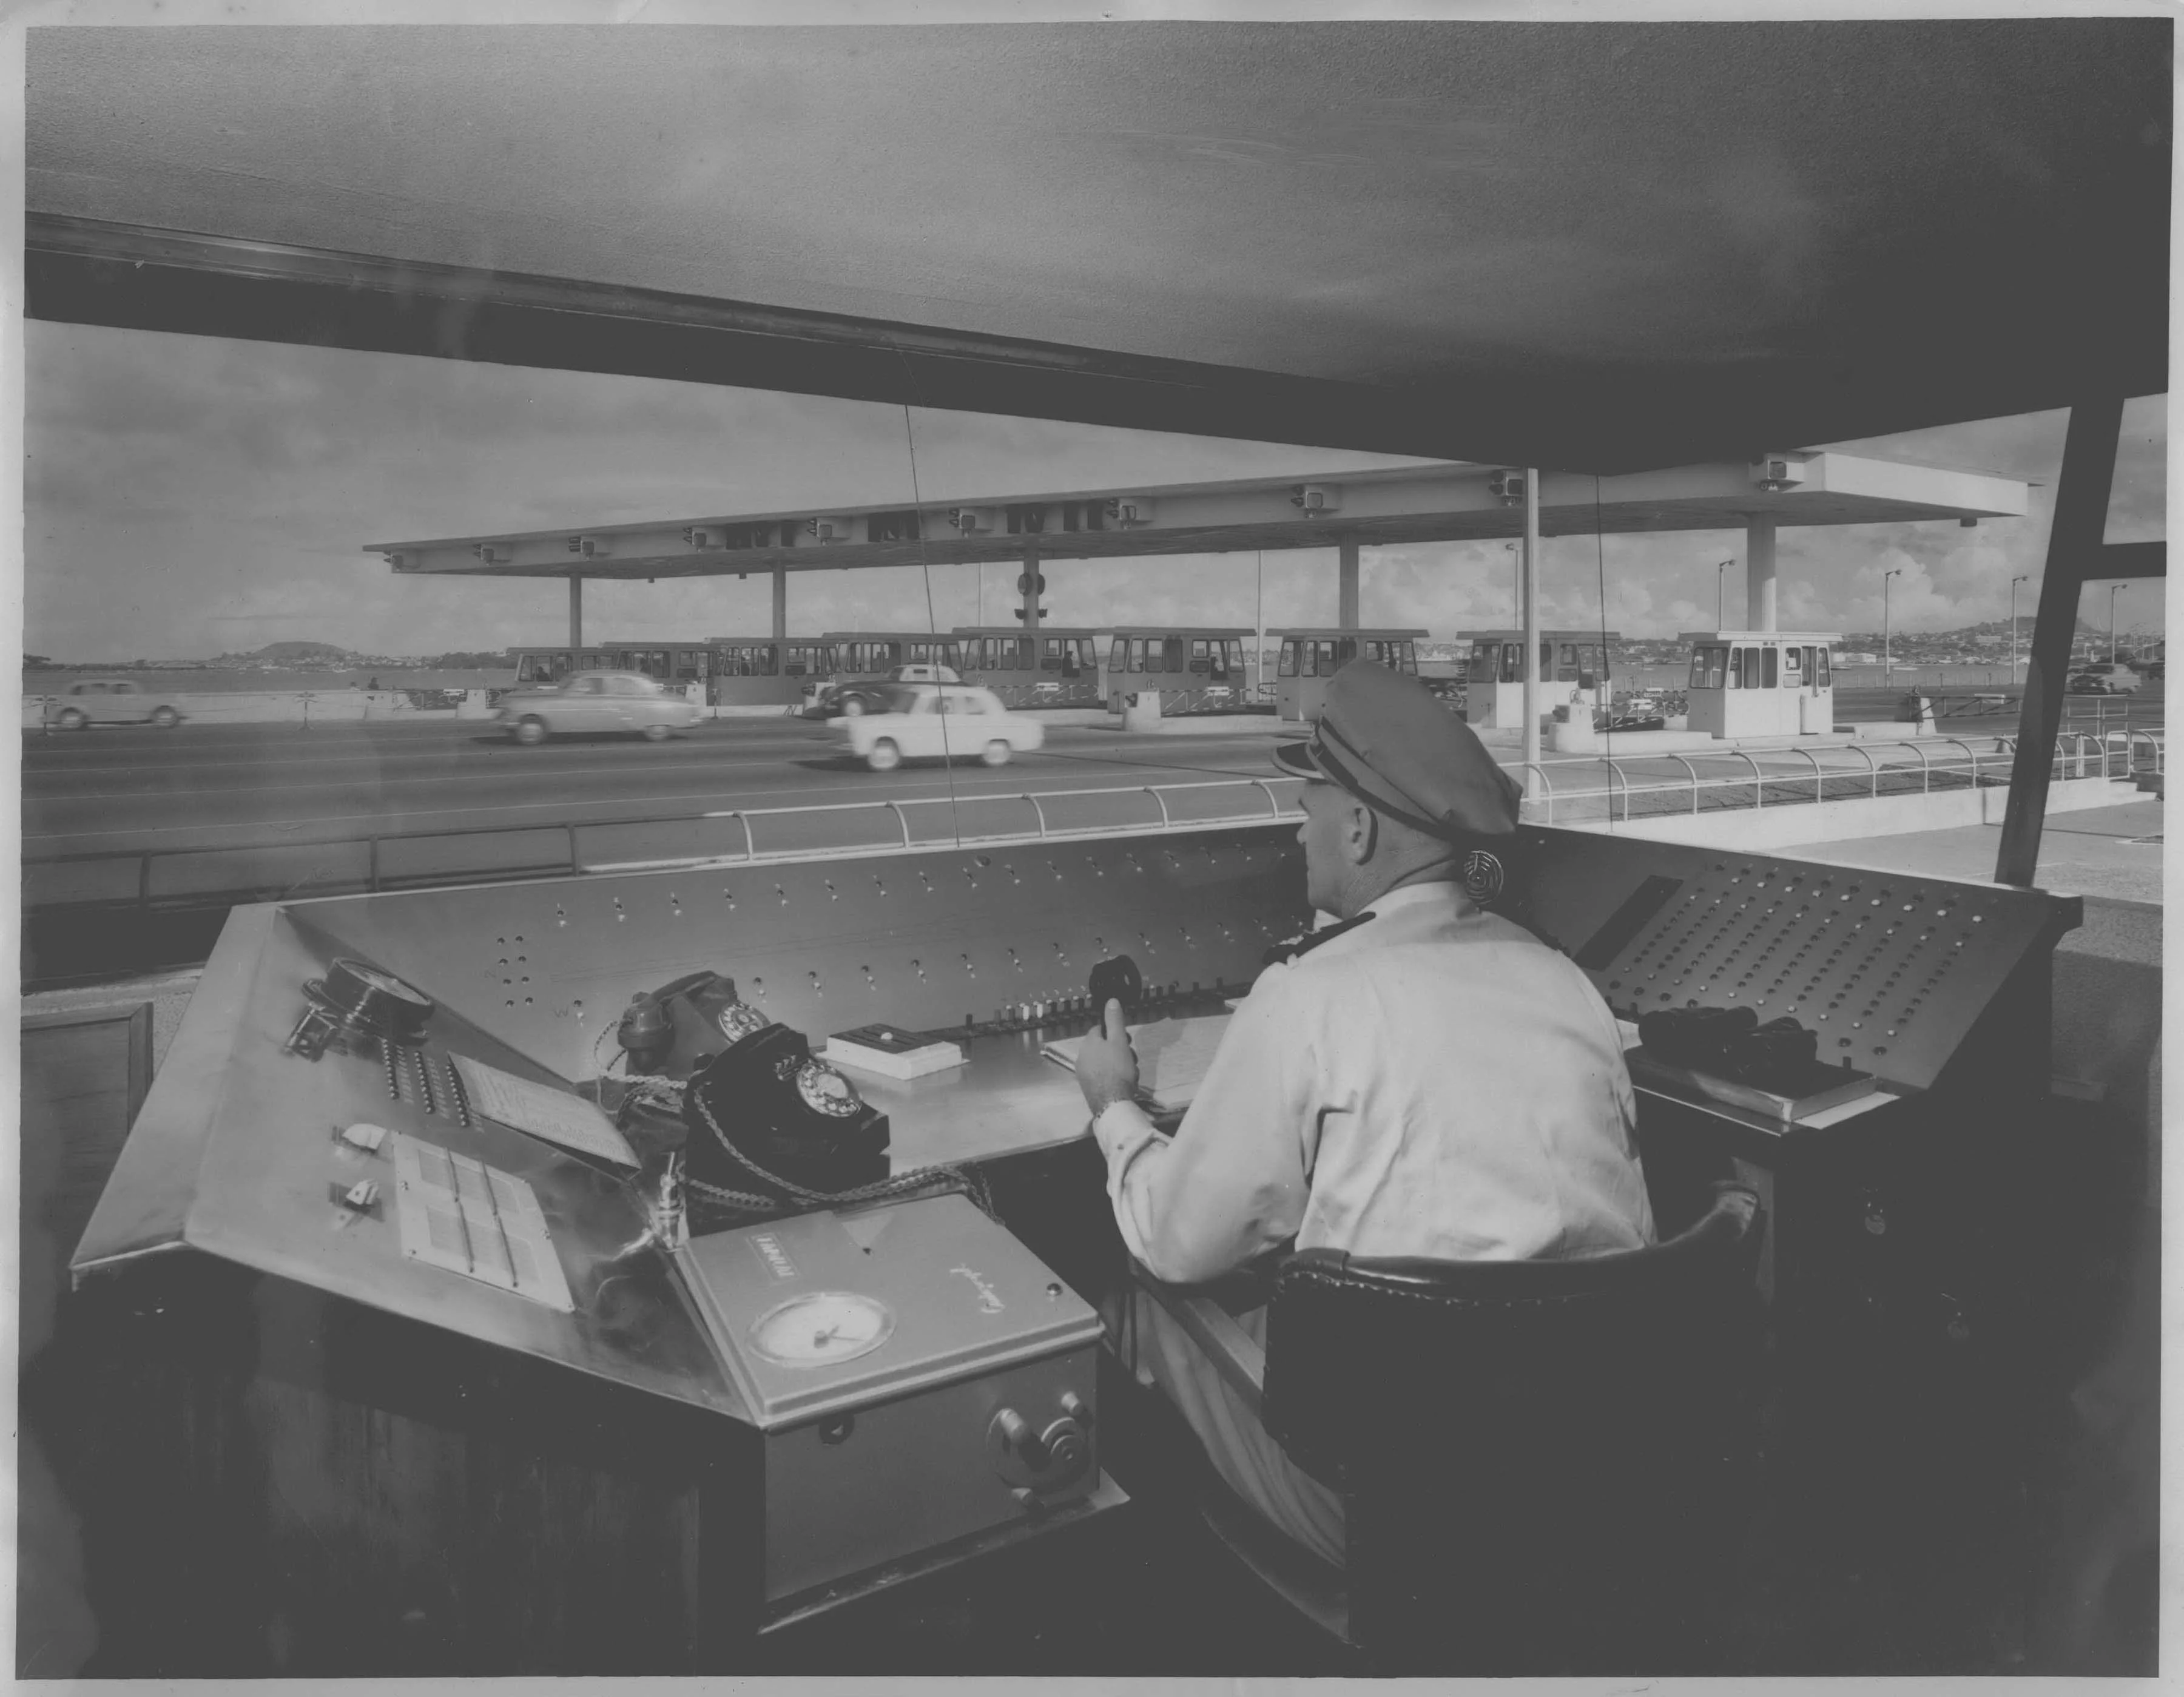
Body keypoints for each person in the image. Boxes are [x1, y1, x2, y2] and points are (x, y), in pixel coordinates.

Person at [1071, 659, 1655, 1570]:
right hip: (1582, 1456)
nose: (1298, 831)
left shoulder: (1311, 995)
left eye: (1307, 807)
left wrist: (1114, 1106)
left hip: (1390, 1500)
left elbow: (1179, 1245)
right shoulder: (1566, 982)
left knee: (1134, 1292)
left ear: (1357, 826)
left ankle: (1175, 1607)